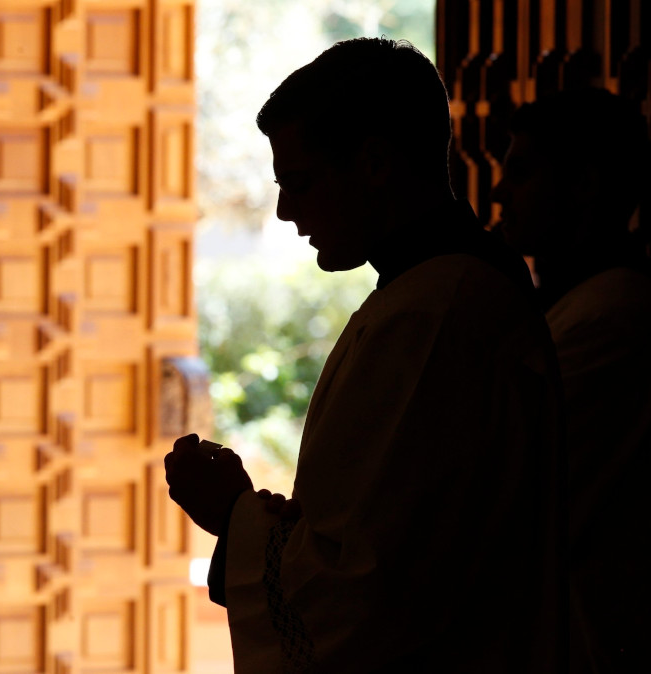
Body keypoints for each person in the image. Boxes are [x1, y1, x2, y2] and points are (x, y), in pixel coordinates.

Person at [165, 38, 565, 672]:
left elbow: (365, 594)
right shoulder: (435, 295)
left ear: (375, 164)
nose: (285, 210)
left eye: (299, 182)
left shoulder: (433, 317)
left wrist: (235, 515)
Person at [493, 88, 651, 673]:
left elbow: (508, 500)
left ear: (584, 185)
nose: (499, 193)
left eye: (522, 172)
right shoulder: (577, 308)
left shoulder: (613, 315)